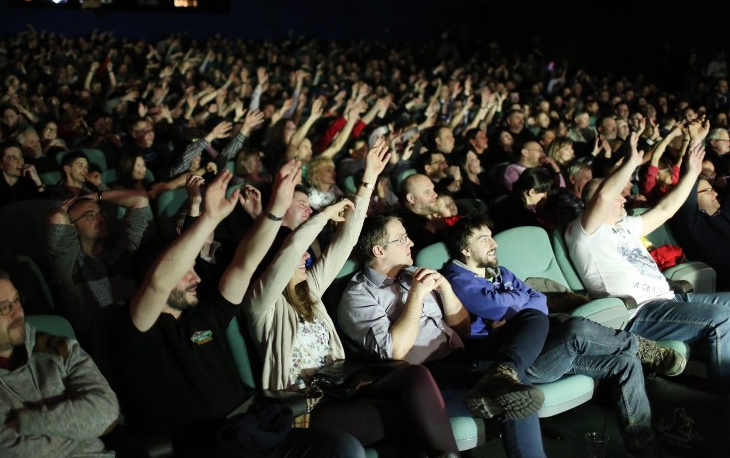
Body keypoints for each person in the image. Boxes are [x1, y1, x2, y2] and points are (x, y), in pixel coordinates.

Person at [110, 165, 364, 457]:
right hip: (207, 445)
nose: (197, 277)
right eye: (186, 271)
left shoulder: (206, 313)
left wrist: (275, 209)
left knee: (343, 447)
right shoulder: (134, 329)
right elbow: (157, 284)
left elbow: (245, 262)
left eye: (195, 269)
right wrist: (206, 219)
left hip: (252, 427)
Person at [244, 143, 460, 456]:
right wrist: (325, 215)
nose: (306, 254)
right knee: (413, 418)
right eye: (298, 252)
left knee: (414, 378)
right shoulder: (261, 306)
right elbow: (290, 249)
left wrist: (368, 179)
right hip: (305, 408)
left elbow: (345, 241)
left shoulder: (311, 292)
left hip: (346, 387)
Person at [443, 214, 677, 456]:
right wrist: (521, 303)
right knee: (576, 329)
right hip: (506, 362)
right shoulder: (456, 278)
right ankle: (638, 345)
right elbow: (494, 306)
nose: (494, 244)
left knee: (625, 364)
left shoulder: (500, 272)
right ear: (465, 250)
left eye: (491, 237)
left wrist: (517, 306)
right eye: (484, 240)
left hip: (538, 345)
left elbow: (540, 302)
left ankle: (645, 450)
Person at [338, 213, 547, 457]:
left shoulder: (414, 272)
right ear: (378, 251)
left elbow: (463, 330)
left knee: (533, 317)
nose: (411, 243)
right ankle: (502, 382)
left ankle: (505, 371)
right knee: (514, 395)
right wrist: (416, 295)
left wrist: (446, 289)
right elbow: (393, 351)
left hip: (463, 354)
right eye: (402, 239)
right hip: (426, 375)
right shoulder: (359, 295)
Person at [567, 126, 730, 395]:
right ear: (595, 201)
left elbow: (666, 209)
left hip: (669, 301)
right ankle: (723, 401)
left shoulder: (627, 225)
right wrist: (631, 162)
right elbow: (607, 194)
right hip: (638, 314)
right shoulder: (584, 232)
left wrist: (691, 172)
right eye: (618, 193)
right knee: (722, 319)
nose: (623, 197)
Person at [0, 268, 121, 457]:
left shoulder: (59, 348)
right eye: (4, 307)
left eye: (16, 300)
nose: (18, 312)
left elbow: (107, 413)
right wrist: (80, 427)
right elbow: (9, 454)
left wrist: (27, 423)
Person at [44, 188, 151, 337]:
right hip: (107, 338)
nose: (100, 218)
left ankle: (196, 341)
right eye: (90, 215)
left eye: (101, 214)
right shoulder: (69, 263)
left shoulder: (122, 247)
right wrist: (62, 208)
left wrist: (97, 195)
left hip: (146, 325)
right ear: (71, 226)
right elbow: (56, 218)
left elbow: (140, 199)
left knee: (194, 335)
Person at [668, 177, 730, 290]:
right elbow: (688, 195)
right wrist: (692, 168)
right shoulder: (691, 225)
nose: (715, 193)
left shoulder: (724, 212)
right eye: (707, 191)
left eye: (712, 189)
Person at [490, 167, 553, 232]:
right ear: (532, 192)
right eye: (544, 192)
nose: (545, 196)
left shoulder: (502, 203)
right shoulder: (526, 216)